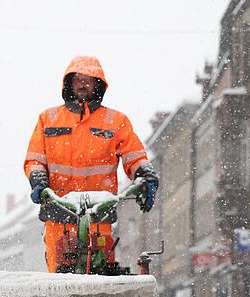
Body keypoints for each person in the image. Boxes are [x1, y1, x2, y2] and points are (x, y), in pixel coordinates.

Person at [23, 55, 159, 273]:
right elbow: (35, 159)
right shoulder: (48, 119)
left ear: (98, 83)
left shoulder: (116, 121)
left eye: (89, 78)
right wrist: (39, 181)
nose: (83, 83)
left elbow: (134, 155)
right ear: (69, 83)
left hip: (99, 212)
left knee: (102, 272)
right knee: (58, 274)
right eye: (78, 78)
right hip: (59, 210)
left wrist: (145, 176)